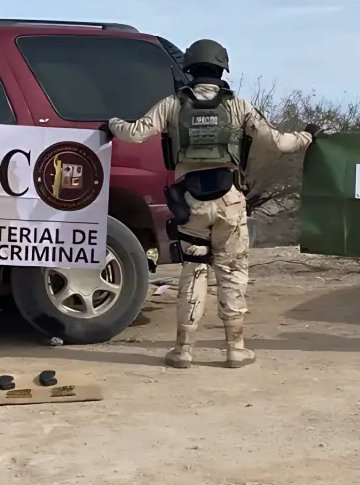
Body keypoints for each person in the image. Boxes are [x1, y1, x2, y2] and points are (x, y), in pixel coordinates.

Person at [105, 39, 316, 369]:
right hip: (230, 200)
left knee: (193, 272)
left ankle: (183, 350)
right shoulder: (239, 107)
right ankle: (235, 349)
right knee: (232, 274)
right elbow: (279, 142)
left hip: (190, 203)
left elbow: (134, 133)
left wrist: (112, 124)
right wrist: (307, 137)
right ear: (222, 68)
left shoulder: (173, 104)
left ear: (189, 68)